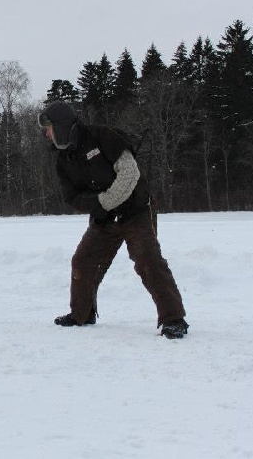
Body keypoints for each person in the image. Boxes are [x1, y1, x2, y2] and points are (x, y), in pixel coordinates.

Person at [38, 101, 189, 339]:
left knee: (147, 260)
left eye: (48, 128)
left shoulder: (103, 136)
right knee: (82, 261)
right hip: (104, 219)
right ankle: (82, 314)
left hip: (136, 211)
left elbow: (130, 172)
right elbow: (72, 197)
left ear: (61, 125)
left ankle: (174, 319)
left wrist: (105, 201)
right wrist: (98, 207)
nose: (46, 134)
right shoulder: (63, 161)